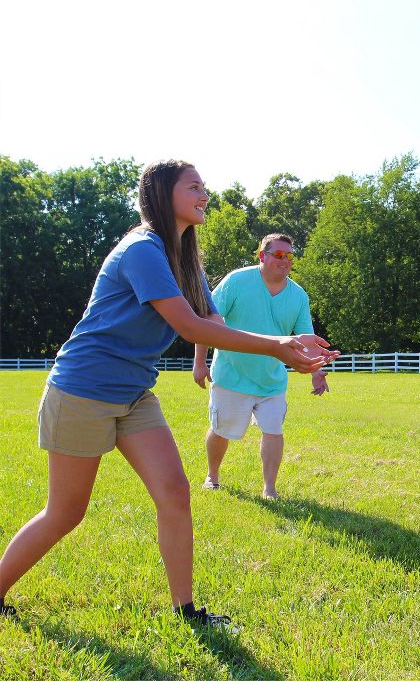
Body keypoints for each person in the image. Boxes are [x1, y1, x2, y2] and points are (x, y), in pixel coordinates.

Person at [0, 160, 332, 627]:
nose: (204, 193)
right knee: (66, 512)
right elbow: (188, 326)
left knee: (175, 492)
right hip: (83, 390)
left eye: (204, 186)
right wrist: (277, 347)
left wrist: (289, 347)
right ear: (162, 193)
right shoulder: (142, 249)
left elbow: (214, 325)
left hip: (135, 393)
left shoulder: (185, 259)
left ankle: (186, 611)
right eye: (193, 186)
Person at [193, 233, 333, 500]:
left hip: (272, 379)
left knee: (273, 430)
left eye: (290, 256)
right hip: (232, 376)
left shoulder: (298, 295)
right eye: (279, 255)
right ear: (262, 256)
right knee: (222, 430)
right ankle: (213, 476)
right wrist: (200, 363)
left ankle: (270, 489)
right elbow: (206, 321)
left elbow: (306, 337)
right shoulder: (237, 281)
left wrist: (317, 371)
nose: (286, 261)